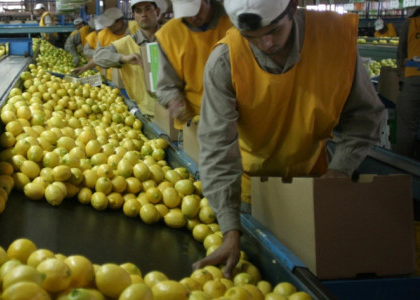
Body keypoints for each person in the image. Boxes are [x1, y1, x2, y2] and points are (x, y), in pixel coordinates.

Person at [192, 0, 384, 278]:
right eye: (252, 36)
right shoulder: (225, 60)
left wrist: (341, 168)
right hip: (252, 193)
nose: (266, 43)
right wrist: (230, 229)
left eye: (273, 30)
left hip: (314, 185)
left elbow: (364, 115)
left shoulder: (334, 39)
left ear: (293, 7)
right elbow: (216, 147)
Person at [155, 0, 233, 133]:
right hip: (194, 123)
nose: (193, 17)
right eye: (186, 13)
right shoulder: (168, 35)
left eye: (196, 10)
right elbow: (166, 85)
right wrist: (174, 102)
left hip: (236, 120)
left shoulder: (233, 22)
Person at [88, 0, 163, 117]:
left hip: (179, 111)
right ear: (134, 16)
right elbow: (98, 56)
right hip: (148, 113)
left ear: (157, 11)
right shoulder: (126, 43)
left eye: (148, 9)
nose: (143, 14)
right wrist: (123, 58)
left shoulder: (172, 37)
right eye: (138, 11)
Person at [73, 8, 129, 80]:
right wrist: (85, 68)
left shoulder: (133, 30)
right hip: (111, 76)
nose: (108, 27)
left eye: (110, 24)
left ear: (119, 21)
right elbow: (99, 56)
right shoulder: (103, 34)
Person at [394, 8, 420, 158]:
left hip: (412, 80)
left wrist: (402, 78)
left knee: (406, 128)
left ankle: (402, 168)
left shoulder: (409, 24)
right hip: (411, 80)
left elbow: (401, 54)